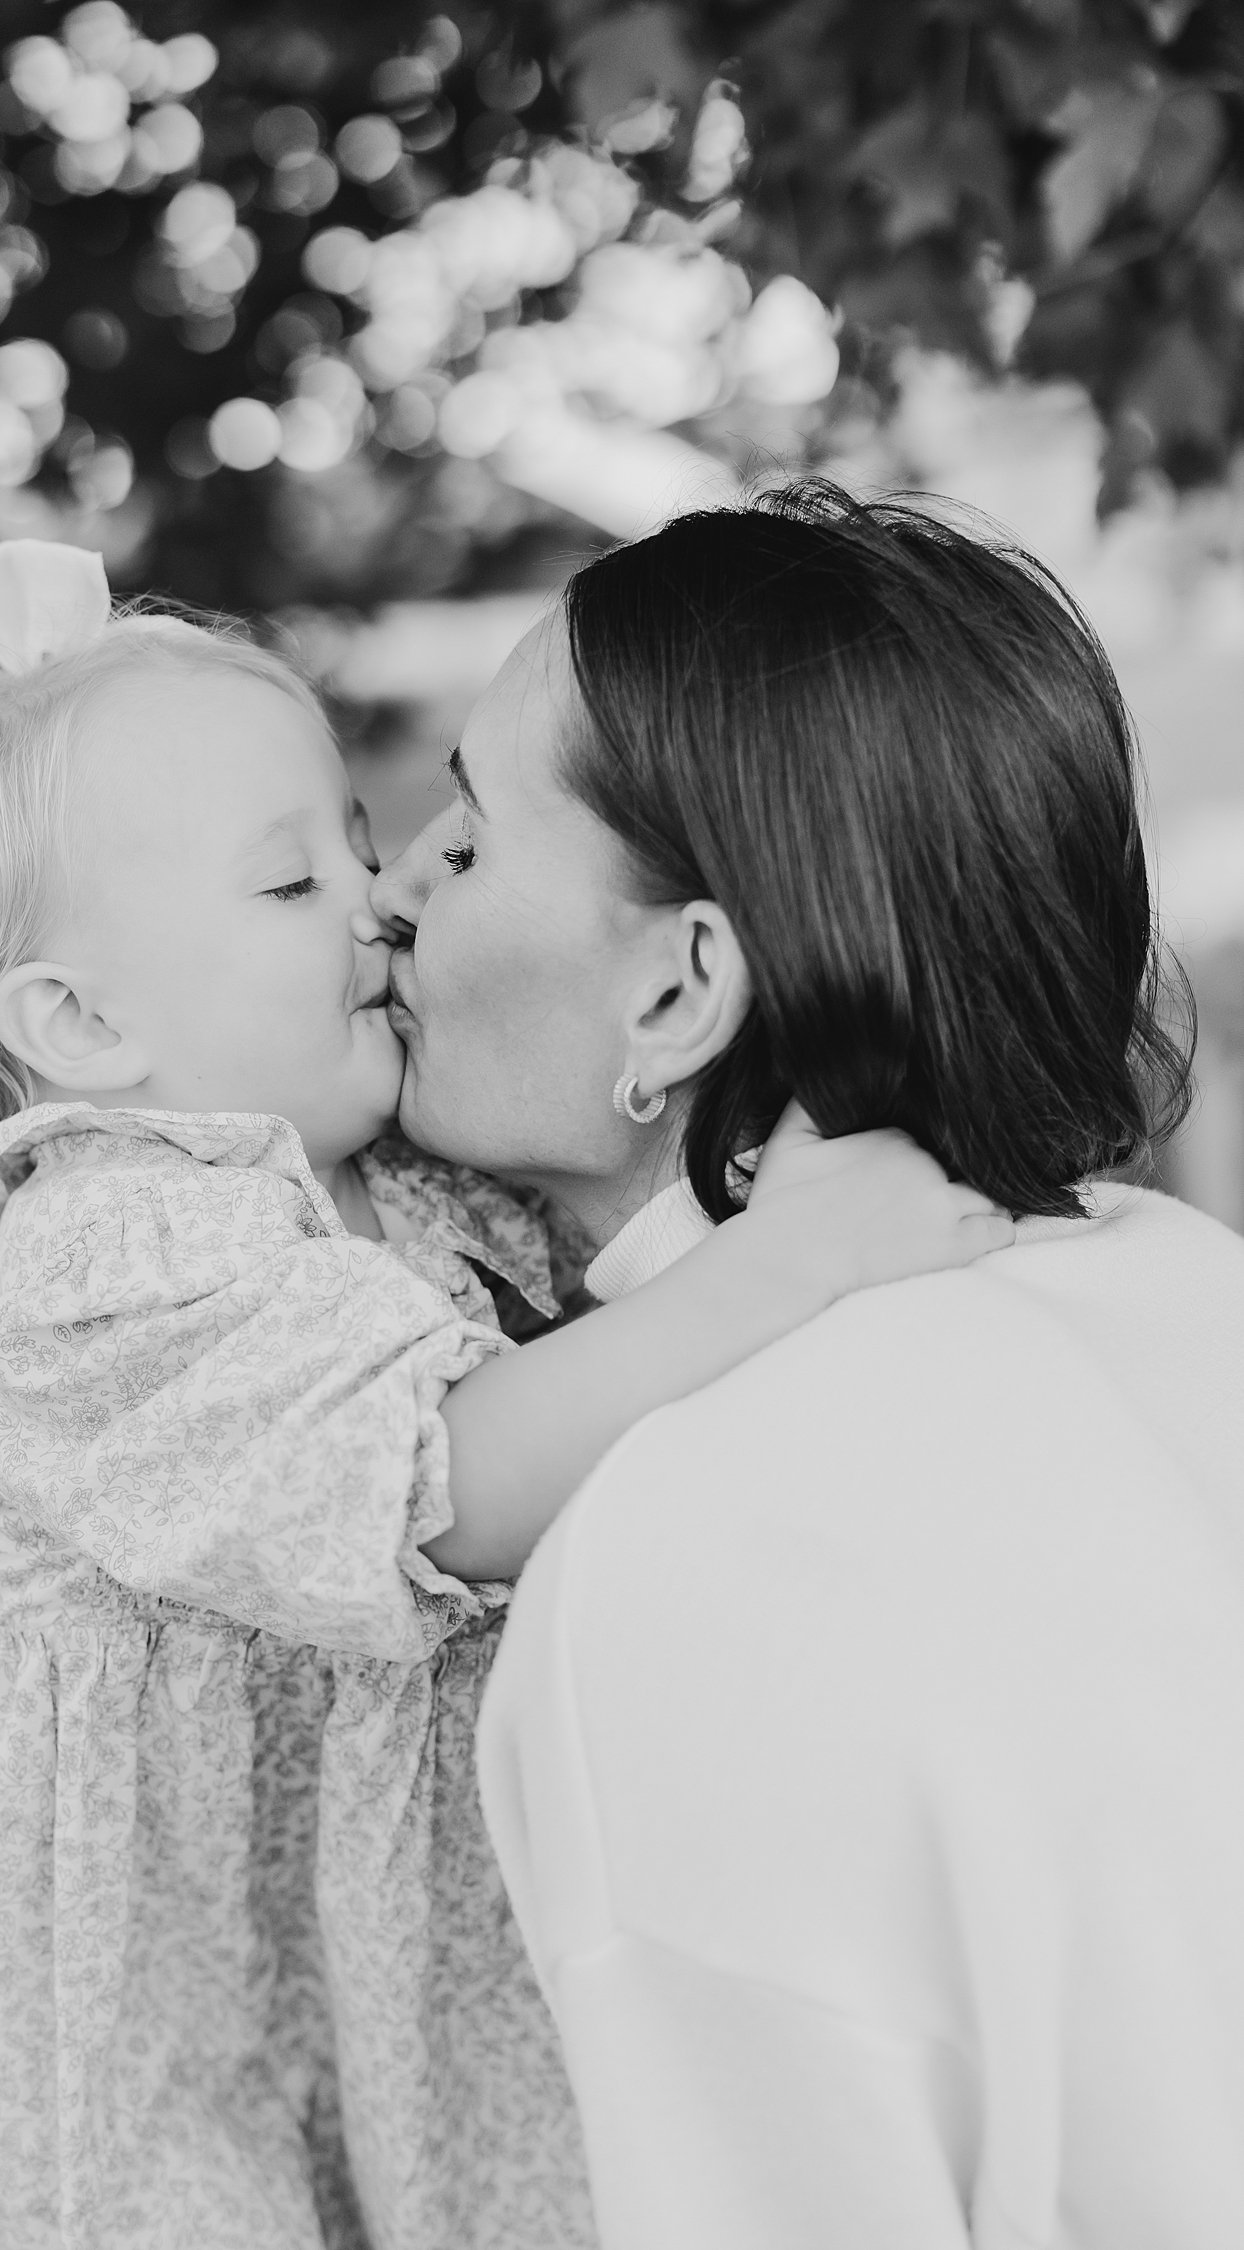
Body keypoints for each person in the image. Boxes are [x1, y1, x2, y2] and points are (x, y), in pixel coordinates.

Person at [0, 538, 1007, 2250]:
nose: (381, 897)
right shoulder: (108, 1264)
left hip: (295, 1953)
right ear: (81, 1022)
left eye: (360, 833)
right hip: (74, 2033)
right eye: (292, 887)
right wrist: (788, 1262)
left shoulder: (402, 1182)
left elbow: (605, 1322)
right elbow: (456, 1476)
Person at [367, 483, 1244, 2250]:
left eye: (462, 846)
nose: (389, 895)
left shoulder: (678, 1558)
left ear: (681, 996)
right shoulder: (1191, 1288)